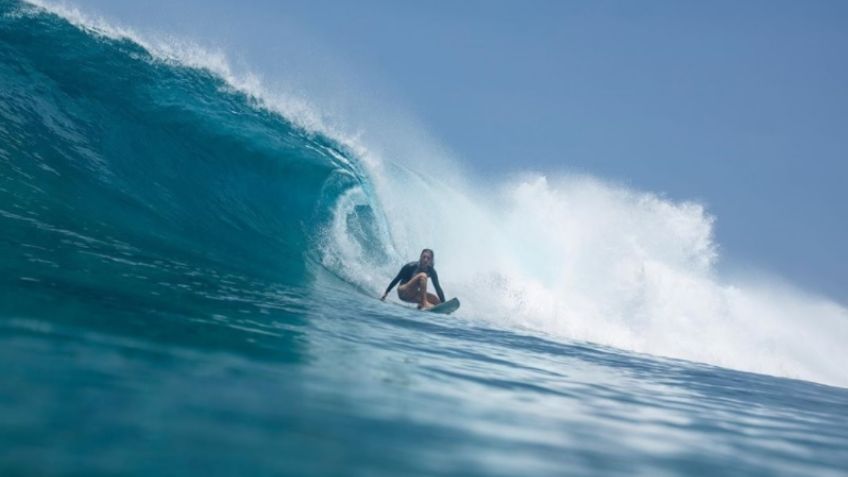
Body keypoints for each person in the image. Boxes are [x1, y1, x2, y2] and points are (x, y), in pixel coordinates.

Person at [381, 248, 445, 310]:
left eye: (428, 258)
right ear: (420, 257)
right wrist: (386, 293)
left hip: (413, 295)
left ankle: (420, 307)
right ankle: (423, 303)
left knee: (436, 300)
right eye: (424, 257)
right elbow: (397, 279)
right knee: (423, 275)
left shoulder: (431, 271)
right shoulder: (410, 266)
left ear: (431, 260)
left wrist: (444, 304)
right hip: (403, 291)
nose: (425, 260)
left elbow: (437, 288)